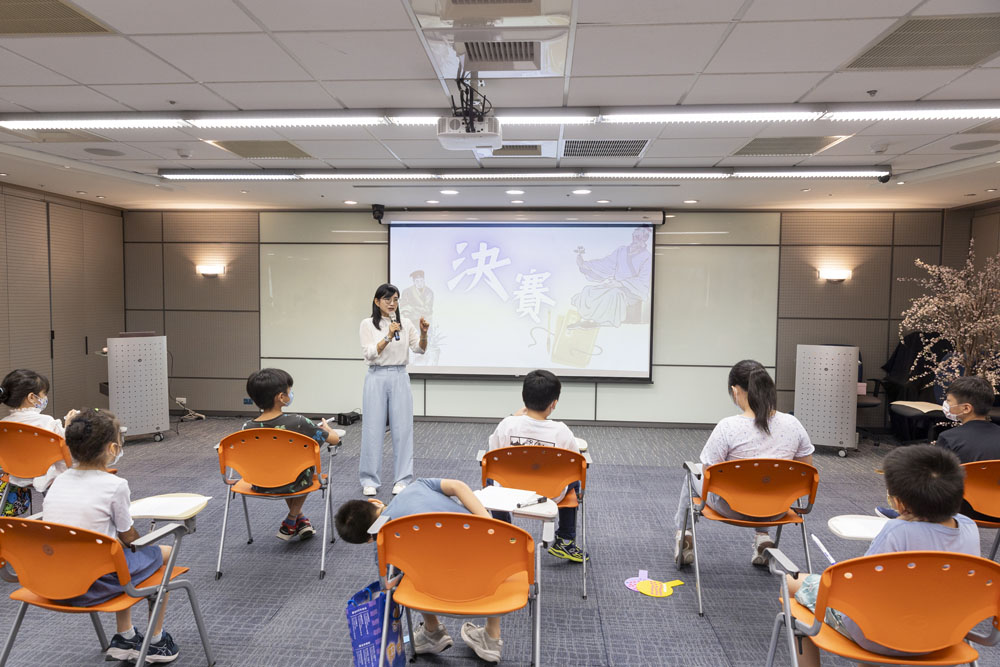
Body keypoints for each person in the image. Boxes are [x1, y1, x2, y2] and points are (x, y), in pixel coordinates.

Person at [786, 445, 979, 666]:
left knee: (790, 583)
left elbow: (861, 591)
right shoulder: (969, 527)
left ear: (900, 504)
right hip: (945, 634)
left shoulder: (897, 532)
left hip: (879, 636)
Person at [42, 408, 179, 663]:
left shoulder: (58, 481)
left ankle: (126, 636)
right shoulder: (115, 485)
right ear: (112, 448)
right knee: (165, 554)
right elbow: (130, 538)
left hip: (52, 580)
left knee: (115, 550)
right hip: (94, 585)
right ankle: (156, 641)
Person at [335, 479, 505, 663]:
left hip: (437, 594)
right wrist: (491, 526)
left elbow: (389, 588)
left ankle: (432, 630)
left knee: (402, 577)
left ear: (369, 539)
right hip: (487, 579)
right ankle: (491, 636)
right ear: (374, 502)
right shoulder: (417, 486)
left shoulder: (383, 549)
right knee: (486, 547)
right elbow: (458, 486)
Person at [674, 360, 814, 567]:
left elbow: (708, 474)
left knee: (692, 473)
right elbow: (807, 471)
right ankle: (763, 537)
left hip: (731, 508)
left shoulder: (727, 427)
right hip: (778, 509)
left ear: (735, 391)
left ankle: (684, 534)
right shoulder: (793, 425)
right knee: (766, 480)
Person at [487, 369, 587, 562]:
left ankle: (504, 535)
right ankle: (566, 540)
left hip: (509, 491)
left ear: (524, 398)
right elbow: (575, 463)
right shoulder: (562, 431)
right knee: (574, 478)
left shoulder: (507, 424)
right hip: (550, 493)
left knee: (492, 477)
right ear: (554, 403)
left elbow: (492, 452)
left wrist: (514, 417)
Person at [243, 368, 341, 541]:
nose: (291, 393)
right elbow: (334, 440)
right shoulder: (299, 422)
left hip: (259, 483)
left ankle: (300, 520)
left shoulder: (247, 428)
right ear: (281, 397)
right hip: (293, 483)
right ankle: (291, 520)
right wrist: (327, 428)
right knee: (302, 467)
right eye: (289, 391)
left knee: (283, 467)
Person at [359, 283, 429, 497]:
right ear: (377, 301)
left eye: (396, 299)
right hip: (376, 376)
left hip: (399, 375)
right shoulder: (367, 324)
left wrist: (424, 334)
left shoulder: (405, 323)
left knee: (402, 429)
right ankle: (369, 479)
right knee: (372, 429)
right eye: (387, 299)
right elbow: (369, 353)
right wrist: (388, 336)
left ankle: (402, 479)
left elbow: (419, 349)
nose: (392, 303)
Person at [0, 368, 77, 515]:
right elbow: (68, 451)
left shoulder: (3, 424)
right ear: (32, 397)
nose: (45, 397)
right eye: (43, 394)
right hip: (45, 474)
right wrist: (69, 427)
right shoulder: (47, 422)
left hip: (14, 474)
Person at [570, 226, 652, 328]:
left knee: (613, 294)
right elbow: (607, 263)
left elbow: (643, 281)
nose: (636, 240)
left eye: (639, 237)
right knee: (589, 290)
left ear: (645, 238)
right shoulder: (622, 250)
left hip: (632, 290)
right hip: (614, 285)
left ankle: (600, 322)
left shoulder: (647, 257)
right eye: (634, 236)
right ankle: (586, 320)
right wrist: (585, 265)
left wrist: (621, 283)